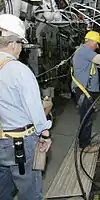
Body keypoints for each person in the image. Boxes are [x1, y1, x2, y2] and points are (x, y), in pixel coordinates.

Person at [0, 14, 52, 200]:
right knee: (29, 192)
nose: (21, 49)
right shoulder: (19, 71)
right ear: (13, 44)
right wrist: (45, 134)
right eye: (21, 44)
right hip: (19, 143)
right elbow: (35, 110)